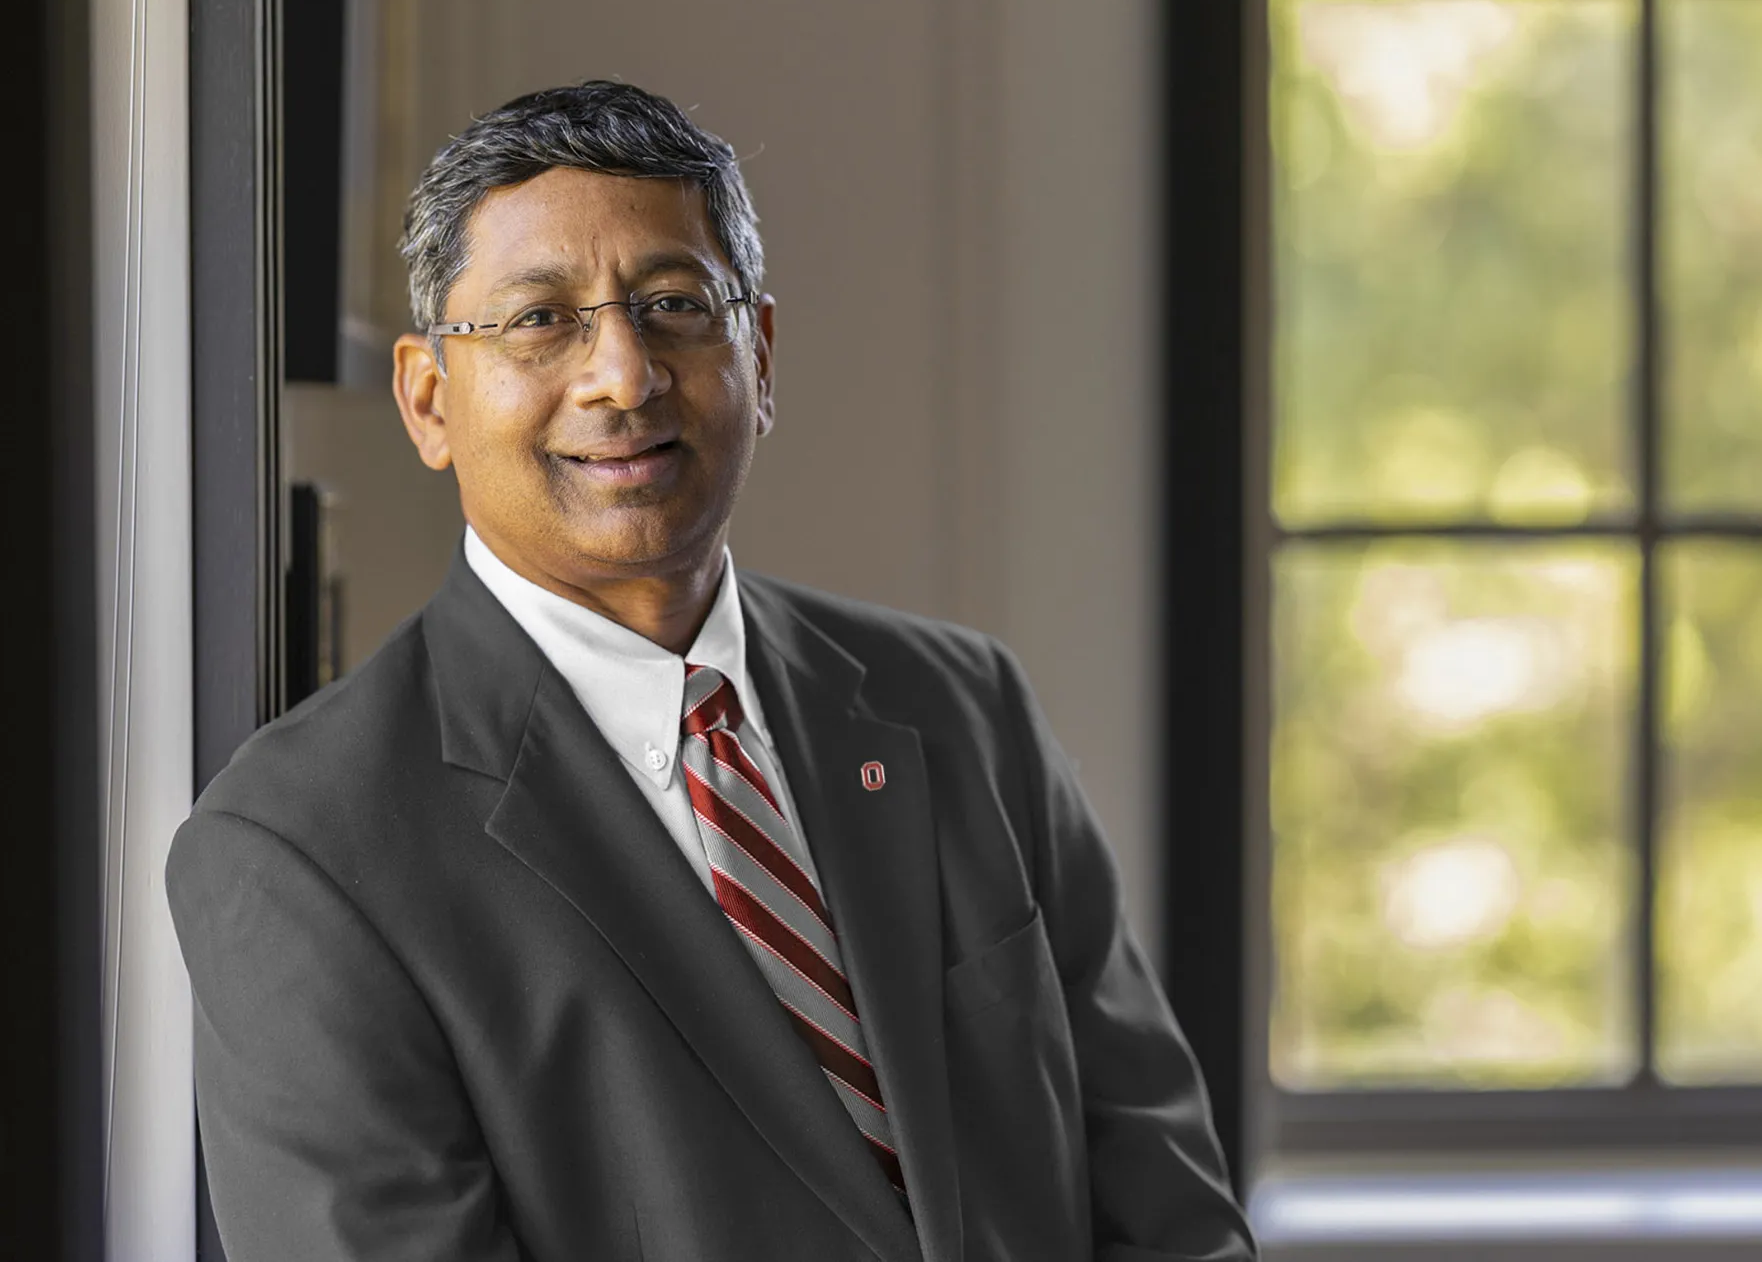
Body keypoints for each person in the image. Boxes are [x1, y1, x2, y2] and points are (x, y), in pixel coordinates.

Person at [167, 80, 1258, 1262]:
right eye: (541, 320)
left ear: (761, 352)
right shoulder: (299, 852)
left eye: (676, 304)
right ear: (430, 400)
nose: (624, 375)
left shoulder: (960, 706)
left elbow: (1165, 1202)